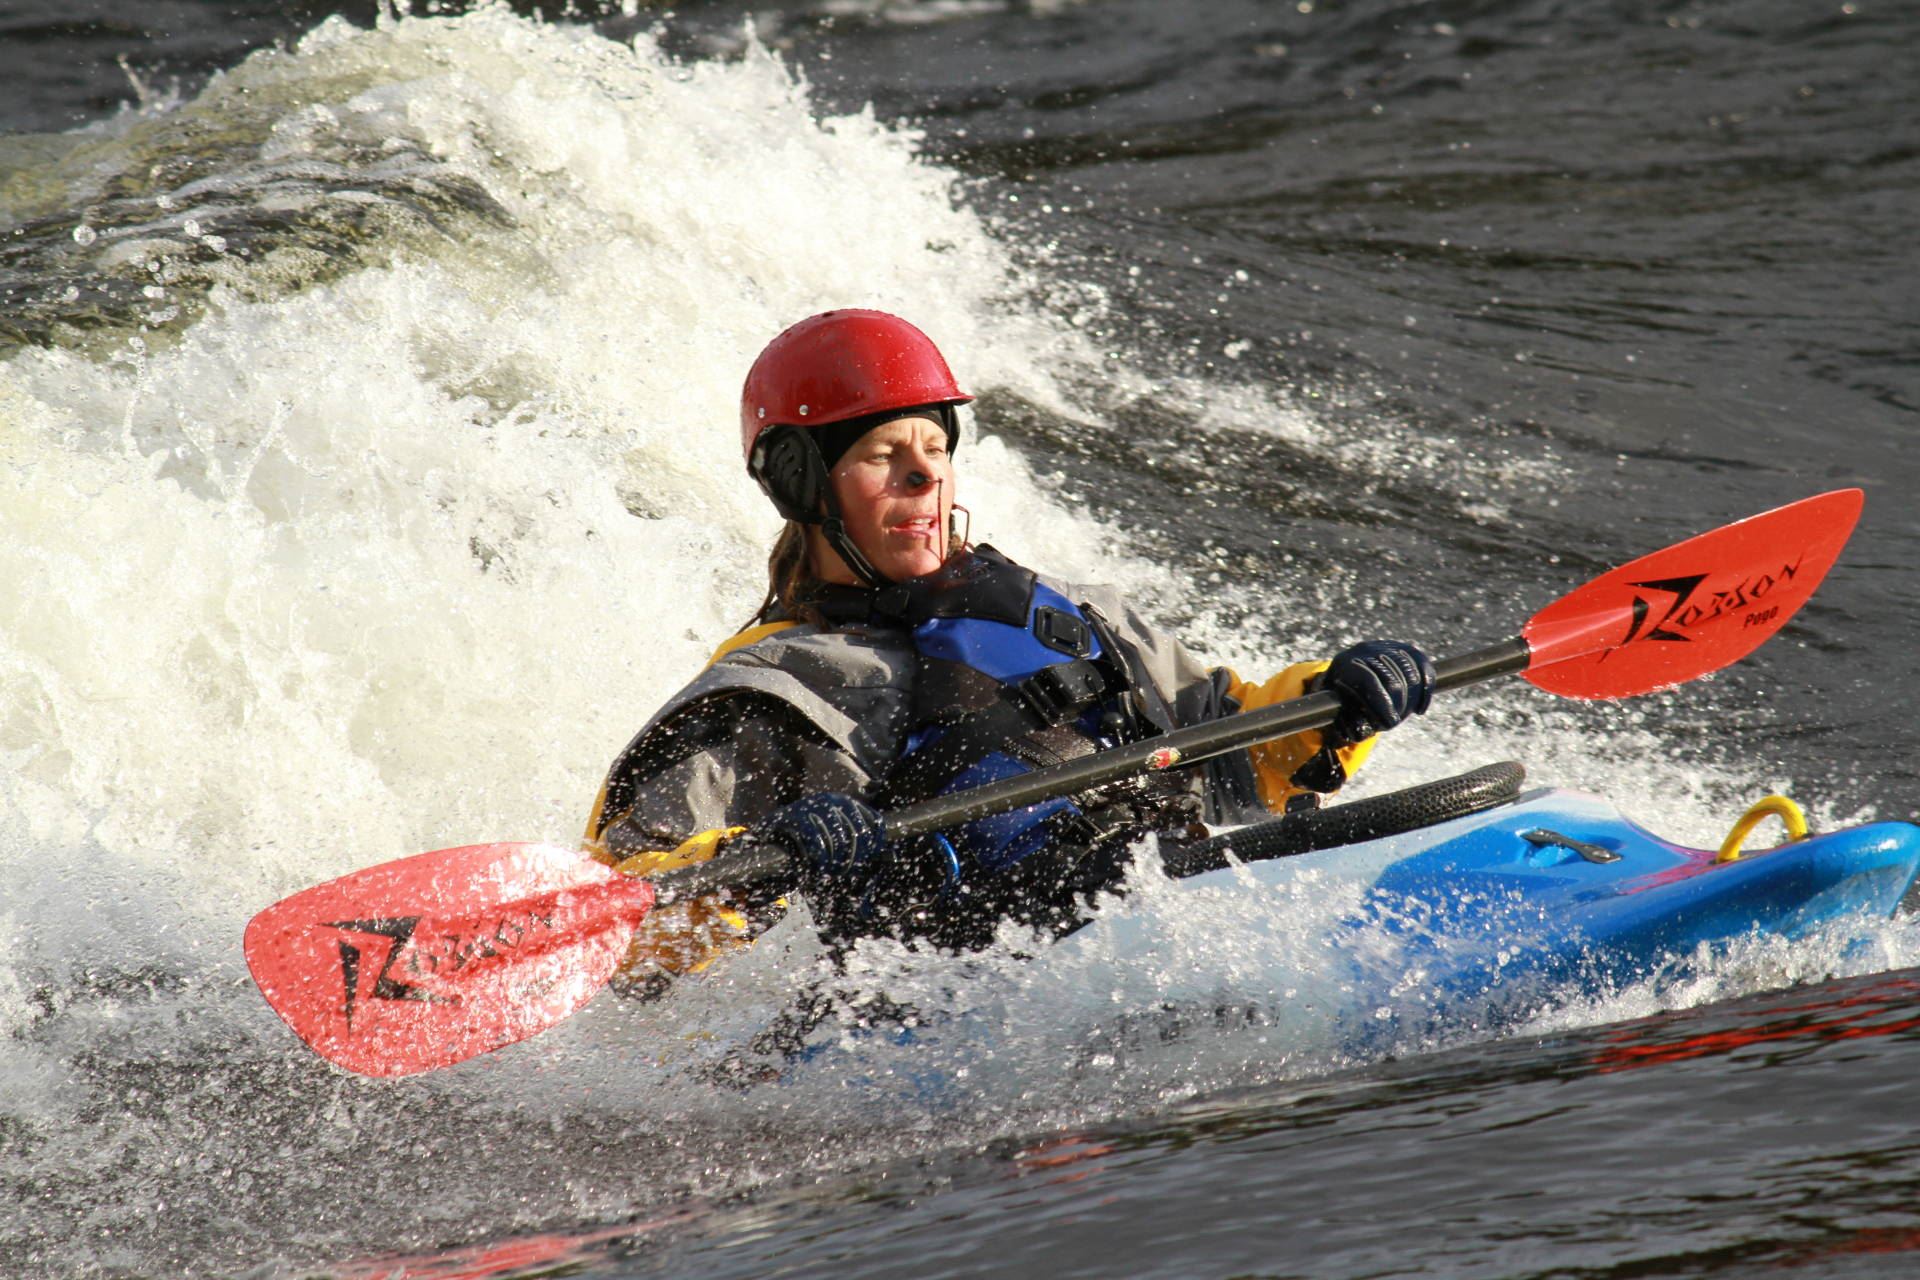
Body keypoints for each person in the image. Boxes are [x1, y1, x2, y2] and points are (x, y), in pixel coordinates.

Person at [585, 309, 1435, 976]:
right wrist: (766, 865)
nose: (925, 476)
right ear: (806, 484)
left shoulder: (1072, 617)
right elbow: (628, 916)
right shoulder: (767, 693)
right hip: (947, 1003)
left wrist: (1340, 705)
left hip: (1169, 927)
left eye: (935, 448)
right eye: (885, 455)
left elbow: (1239, 756)